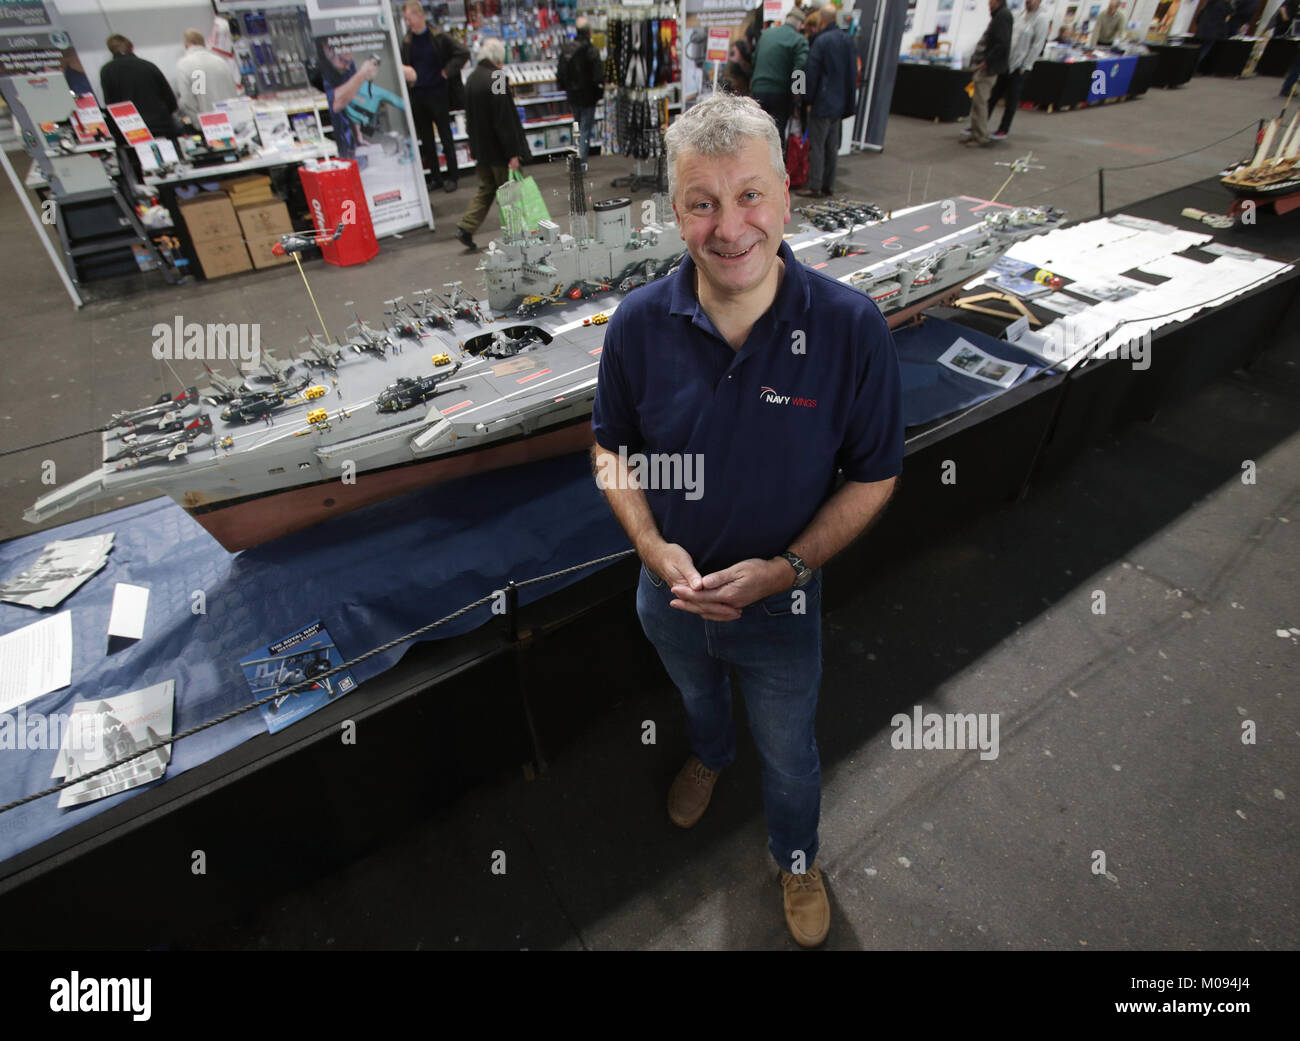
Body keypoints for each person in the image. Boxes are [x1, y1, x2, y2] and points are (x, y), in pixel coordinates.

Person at [589, 92, 903, 948]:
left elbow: (875, 477)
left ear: (788, 197)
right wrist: (652, 546)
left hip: (782, 609)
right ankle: (711, 757)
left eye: (750, 195)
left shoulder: (850, 328)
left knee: (794, 756)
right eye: (702, 202)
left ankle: (796, 857)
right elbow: (609, 449)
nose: (729, 227)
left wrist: (788, 569)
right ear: (676, 213)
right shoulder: (638, 326)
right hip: (670, 601)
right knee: (698, 699)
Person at [455, 37, 531, 251]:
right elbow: (503, 119)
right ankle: (517, 237)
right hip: (500, 151)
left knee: (486, 189)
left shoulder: (472, 78)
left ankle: (466, 227)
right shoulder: (497, 78)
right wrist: (513, 153)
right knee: (511, 194)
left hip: (482, 150)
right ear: (498, 58)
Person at [400, 1, 470, 192]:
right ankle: (436, 178)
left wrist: (447, 71)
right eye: (406, 19)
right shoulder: (407, 42)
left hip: (438, 93)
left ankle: (453, 177)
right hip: (418, 95)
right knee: (427, 141)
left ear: (419, 15)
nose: (408, 23)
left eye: (409, 18)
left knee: (446, 137)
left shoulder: (438, 37)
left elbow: (463, 52)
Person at [797, 4, 857, 198]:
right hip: (839, 103)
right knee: (831, 147)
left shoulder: (821, 42)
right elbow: (852, 73)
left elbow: (811, 73)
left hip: (823, 103)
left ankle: (814, 185)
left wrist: (807, 99)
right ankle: (827, 185)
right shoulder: (847, 41)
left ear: (821, 19)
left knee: (817, 146)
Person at [99, 34, 183, 140]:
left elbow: (111, 104)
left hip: (132, 131)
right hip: (162, 126)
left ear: (111, 51)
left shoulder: (107, 71)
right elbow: (170, 100)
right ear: (132, 48)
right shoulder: (149, 66)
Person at [988, 0, 1049, 140]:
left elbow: (1037, 45)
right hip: (1008, 63)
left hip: (1021, 67)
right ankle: (980, 123)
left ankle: (1004, 129)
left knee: (1012, 99)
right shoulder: (1020, 15)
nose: (1029, 2)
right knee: (994, 95)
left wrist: (1025, 65)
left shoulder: (1042, 19)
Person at [750, 6, 809, 143]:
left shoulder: (766, 35)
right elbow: (800, 68)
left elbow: (754, 59)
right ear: (800, 25)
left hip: (758, 89)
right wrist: (798, 94)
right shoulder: (799, 40)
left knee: (756, 131)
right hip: (781, 94)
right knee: (777, 134)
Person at [315, 39, 379, 159]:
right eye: (343, 61)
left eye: (349, 62)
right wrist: (361, 75)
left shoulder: (347, 65)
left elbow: (352, 98)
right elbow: (335, 103)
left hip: (348, 137)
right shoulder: (320, 69)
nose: (348, 67)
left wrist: (358, 135)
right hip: (331, 138)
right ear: (327, 49)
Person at [963, 0, 1012, 148]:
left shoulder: (1003, 16)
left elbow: (1002, 44)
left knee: (981, 102)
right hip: (985, 66)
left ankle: (981, 136)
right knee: (977, 102)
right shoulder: (998, 16)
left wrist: (987, 62)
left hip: (989, 68)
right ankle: (975, 133)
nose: (988, 3)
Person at [559, 17, 604, 164]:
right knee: (585, 129)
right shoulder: (591, 50)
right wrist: (599, 91)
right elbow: (598, 75)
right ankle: (581, 161)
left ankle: (576, 157)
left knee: (577, 127)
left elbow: (561, 73)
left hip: (573, 95)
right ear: (589, 32)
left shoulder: (567, 49)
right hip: (588, 96)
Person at [175, 29, 239, 123]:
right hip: (231, 120)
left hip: (208, 125)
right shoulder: (220, 61)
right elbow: (233, 91)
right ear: (203, 44)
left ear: (186, 45)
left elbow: (187, 101)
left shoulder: (184, 64)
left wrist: (197, 123)